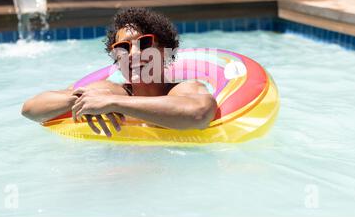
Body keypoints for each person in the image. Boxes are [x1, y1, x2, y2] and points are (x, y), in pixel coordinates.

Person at [21, 7, 217, 137]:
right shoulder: (107, 90)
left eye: (144, 43)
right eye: (122, 48)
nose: (134, 54)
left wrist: (113, 103)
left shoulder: (184, 90)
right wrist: (80, 101)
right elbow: (30, 109)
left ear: (164, 51)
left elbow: (198, 115)